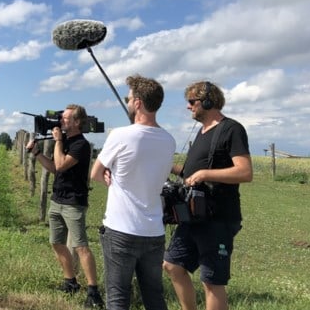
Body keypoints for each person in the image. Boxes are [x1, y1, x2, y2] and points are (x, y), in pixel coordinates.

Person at [162, 81, 252, 310]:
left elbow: (245, 171)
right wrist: (166, 166)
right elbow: (191, 173)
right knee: (173, 265)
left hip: (218, 218)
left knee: (212, 281)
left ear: (208, 102)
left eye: (192, 102)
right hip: (193, 215)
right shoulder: (202, 133)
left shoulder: (231, 129)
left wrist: (204, 173)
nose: (188, 107)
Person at [90, 74, 176, 310]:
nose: (127, 102)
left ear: (138, 103)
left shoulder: (120, 135)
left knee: (118, 296)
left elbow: (96, 173)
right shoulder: (169, 140)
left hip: (121, 229)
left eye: (129, 99)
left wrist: (110, 175)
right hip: (154, 232)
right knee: (154, 296)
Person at [27, 104, 105, 309]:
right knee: (56, 242)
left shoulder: (81, 145)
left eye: (66, 119)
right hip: (57, 200)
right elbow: (54, 168)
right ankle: (70, 282)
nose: (61, 122)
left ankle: (93, 291)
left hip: (73, 203)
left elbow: (61, 164)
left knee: (80, 246)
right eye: (61, 118)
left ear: (77, 122)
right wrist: (37, 153)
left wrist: (58, 141)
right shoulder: (66, 143)